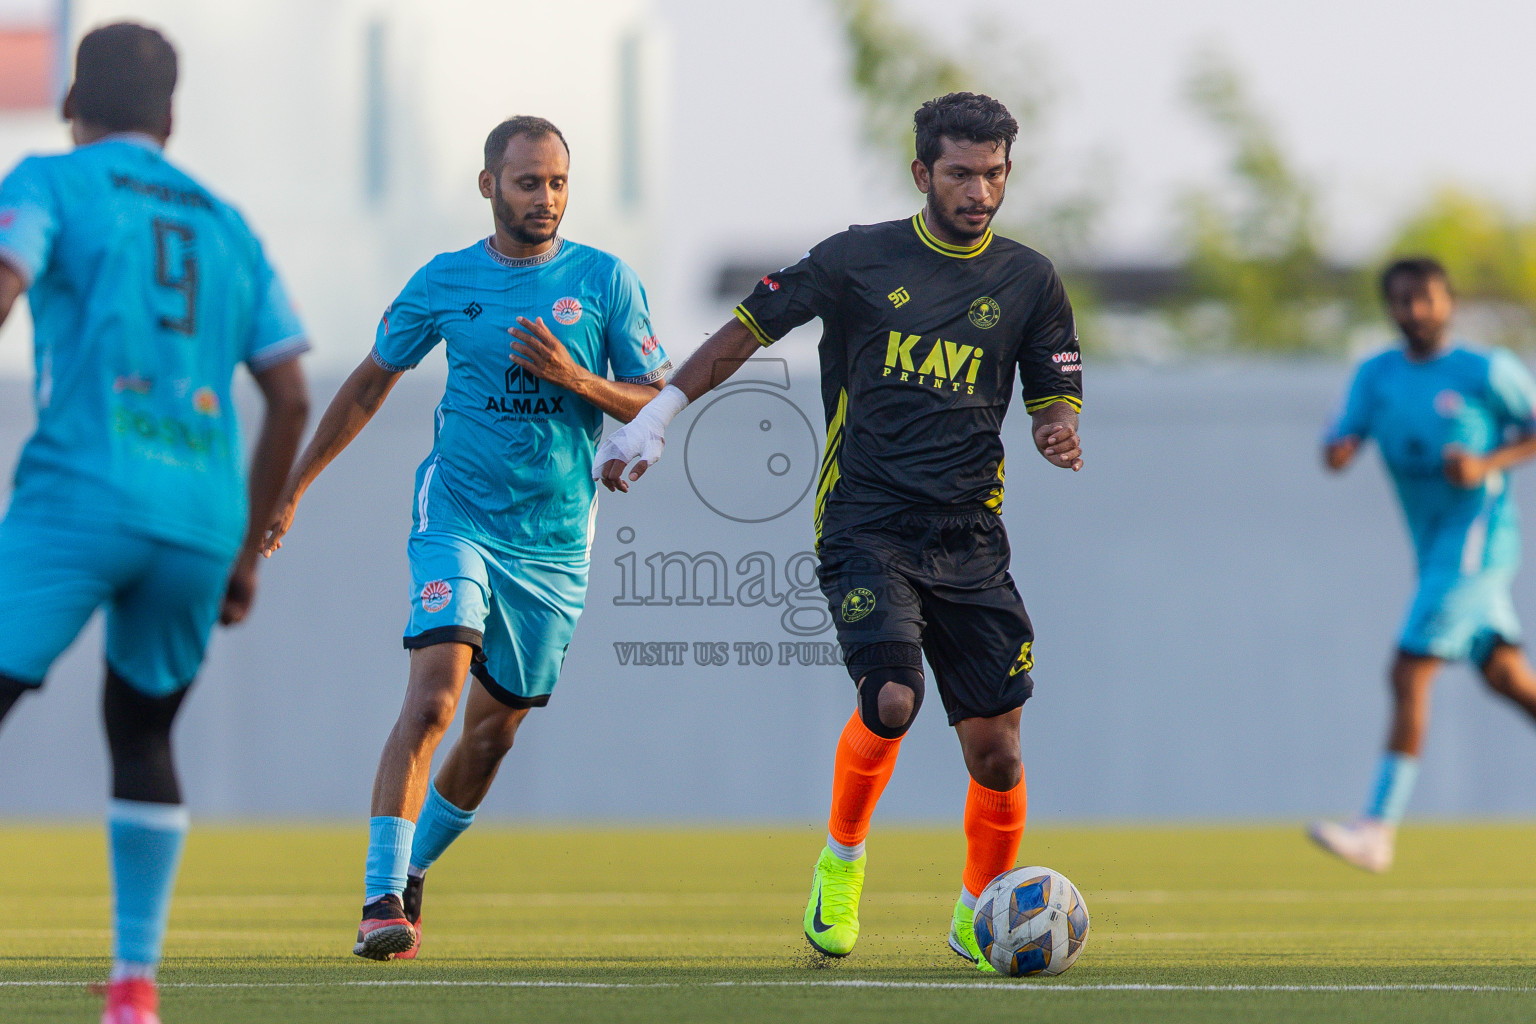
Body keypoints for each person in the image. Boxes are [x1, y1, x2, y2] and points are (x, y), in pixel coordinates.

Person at [595, 92, 1084, 970]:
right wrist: (660, 413)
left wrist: (1057, 430)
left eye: (995, 174)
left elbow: (1053, 395)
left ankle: (980, 911)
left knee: (999, 754)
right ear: (922, 172)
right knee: (891, 700)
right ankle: (843, 860)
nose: (980, 191)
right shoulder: (858, 259)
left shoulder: (1029, 279)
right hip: (865, 520)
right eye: (962, 173)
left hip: (972, 538)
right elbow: (748, 328)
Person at [260, 115, 670, 960]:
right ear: (489, 185)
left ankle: (412, 873)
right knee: (437, 696)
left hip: (555, 543)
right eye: (528, 182)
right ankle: (379, 898)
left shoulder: (605, 280)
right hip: (458, 517)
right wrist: (292, 487)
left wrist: (574, 379)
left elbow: (656, 400)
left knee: (491, 735)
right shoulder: (445, 281)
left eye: (558, 182)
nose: (546, 199)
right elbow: (370, 383)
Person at [0, 23, 311, 1023]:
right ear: (171, 118)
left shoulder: (49, 181)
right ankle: (135, 984)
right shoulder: (230, 224)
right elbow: (292, 396)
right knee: (142, 731)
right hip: (200, 515)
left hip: (80, 489)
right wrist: (251, 548)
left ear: (68, 106)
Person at [1310, 257, 1536, 872]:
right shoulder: (1376, 375)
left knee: (1409, 672)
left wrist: (1488, 464)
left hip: (1476, 543)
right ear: (1390, 309)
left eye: (1426, 299)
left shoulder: (1486, 370)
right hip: (1432, 546)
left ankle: (1376, 829)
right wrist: (1340, 449)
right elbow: (1339, 441)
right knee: (1507, 678)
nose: (1415, 312)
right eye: (1403, 301)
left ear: (1450, 303)